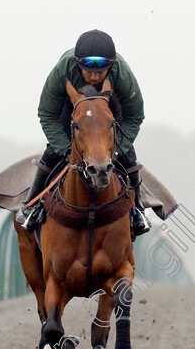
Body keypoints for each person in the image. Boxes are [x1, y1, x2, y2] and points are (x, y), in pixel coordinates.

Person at [16, 29, 151, 236]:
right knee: (52, 152)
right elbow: (47, 113)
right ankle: (31, 205)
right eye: (88, 71)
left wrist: (115, 149)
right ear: (78, 64)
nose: (95, 76)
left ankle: (138, 210)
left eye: (101, 71)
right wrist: (65, 148)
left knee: (128, 155)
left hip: (110, 111)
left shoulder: (121, 73)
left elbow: (135, 116)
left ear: (111, 66)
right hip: (71, 109)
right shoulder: (63, 69)